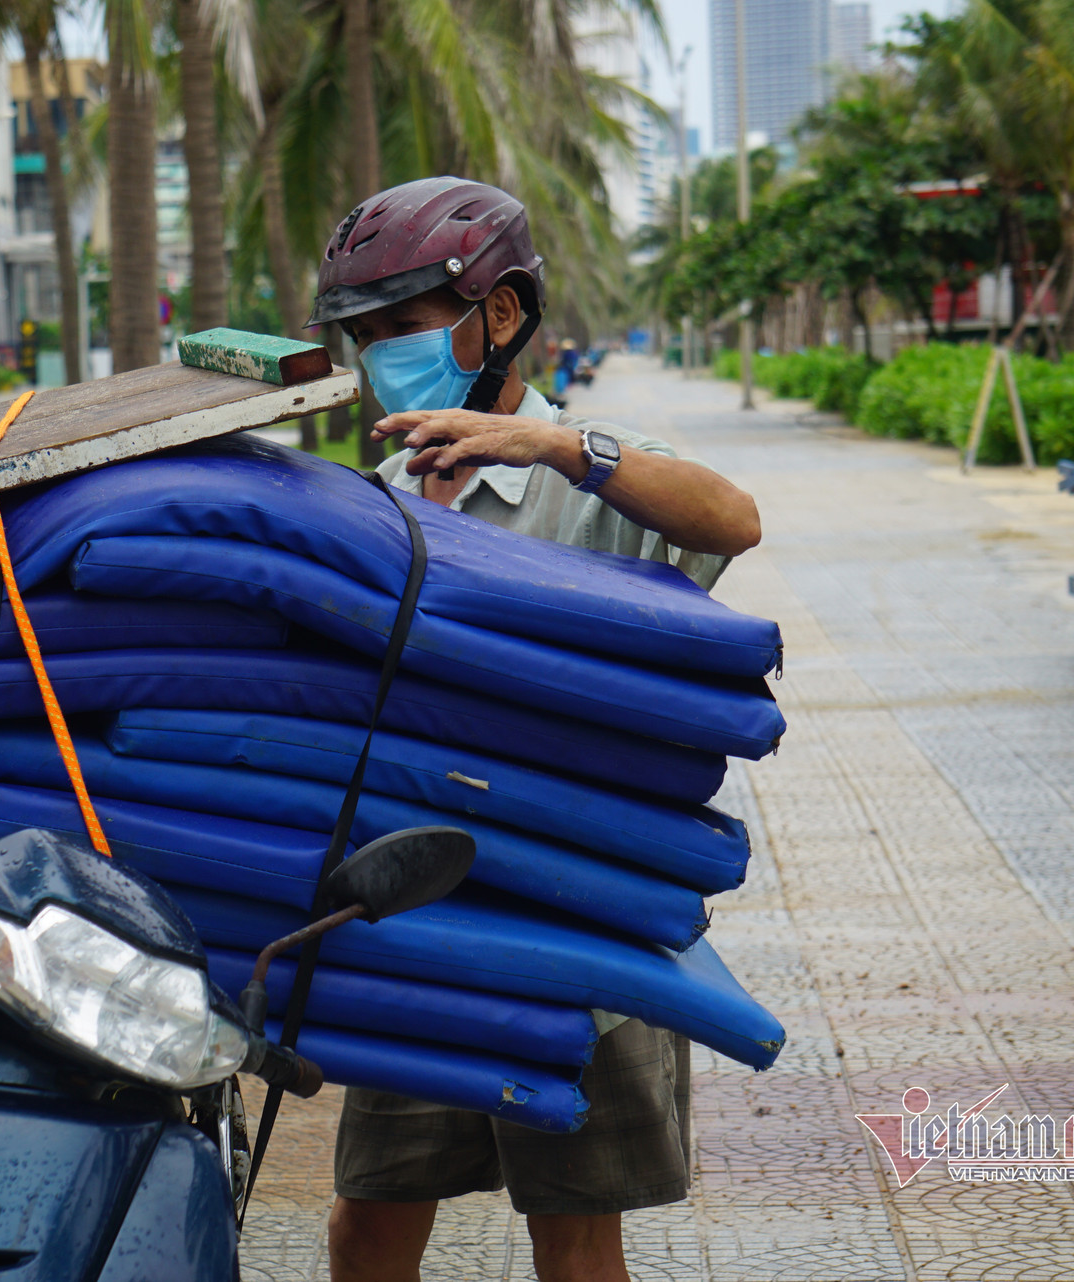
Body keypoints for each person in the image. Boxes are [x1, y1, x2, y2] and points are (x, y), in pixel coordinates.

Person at [303, 176, 761, 1282]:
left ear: (498, 315)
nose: (379, 357)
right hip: (413, 924)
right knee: (369, 1221)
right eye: (362, 338)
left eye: (402, 328)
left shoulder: (597, 477)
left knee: (575, 1235)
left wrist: (551, 448)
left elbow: (734, 518)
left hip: (580, 936)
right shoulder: (375, 504)